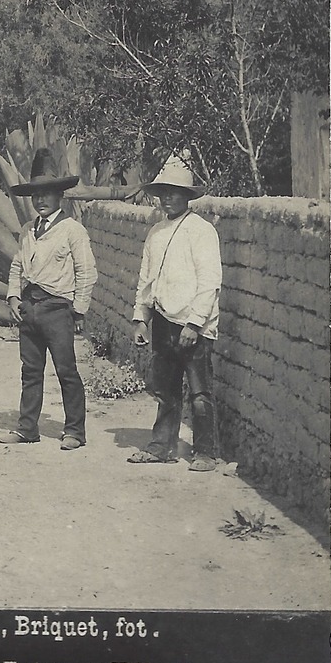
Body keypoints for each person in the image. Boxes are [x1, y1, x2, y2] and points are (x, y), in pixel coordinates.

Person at [128, 159, 223, 471]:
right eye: (163, 193)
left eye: (174, 192)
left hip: (193, 325)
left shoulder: (202, 231)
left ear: (187, 196)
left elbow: (210, 282)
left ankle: (205, 453)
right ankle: (161, 447)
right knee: (166, 390)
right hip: (164, 321)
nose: (167, 198)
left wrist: (195, 323)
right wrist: (141, 318)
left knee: (199, 393)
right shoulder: (156, 232)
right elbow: (147, 279)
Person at [0, 149, 97, 451]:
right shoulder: (29, 231)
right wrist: (14, 297)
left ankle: (75, 431)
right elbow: (18, 266)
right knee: (30, 371)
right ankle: (28, 428)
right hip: (29, 308)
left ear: (59, 197)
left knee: (66, 370)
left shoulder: (72, 231)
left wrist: (78, 310)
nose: (41, 200)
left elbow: (86, 271)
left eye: (47, 194)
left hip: (57, 309)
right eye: (36, 195)